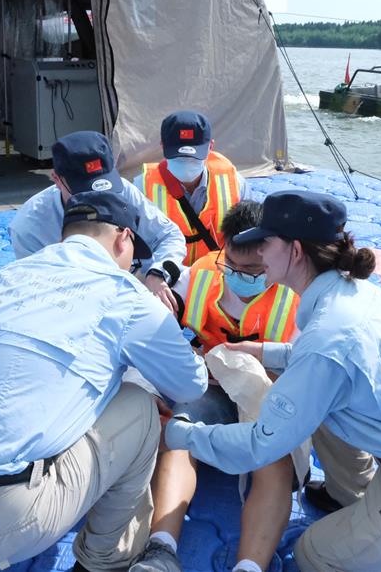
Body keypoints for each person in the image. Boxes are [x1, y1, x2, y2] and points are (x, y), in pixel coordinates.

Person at [165, 190, 381, 572]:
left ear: (296, 251)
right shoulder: (353, 290)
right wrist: (263, 352)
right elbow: (328, 360)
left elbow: (259, 446)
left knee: (315, 555)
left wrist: (180, 434)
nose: (258, 255)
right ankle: (349, 496)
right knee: (320, 405)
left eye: (264, 244)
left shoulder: (326, 339)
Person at [0, 190, 208, 572]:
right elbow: (189, 387)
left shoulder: (7, 276)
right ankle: (104, 561)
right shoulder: (128, 296)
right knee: (139, 407)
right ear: (124, 239)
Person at [130, 201, 299, 572]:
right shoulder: (201, 275)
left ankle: (249, 566)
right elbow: (155, 335)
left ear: (274, 256)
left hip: (271, 394)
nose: (240, 276)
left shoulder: (298, 296)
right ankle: (161, 549)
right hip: (211, 387)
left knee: (274, 461)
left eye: (253, 270)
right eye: (232, 267)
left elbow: (305, 369)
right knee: (177, 434)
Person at [9, 130, 187, 313]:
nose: (99, 200)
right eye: (86, 193)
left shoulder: (125, 191)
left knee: (187, 282)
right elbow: (43, 294)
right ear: (57, 179)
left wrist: (157, 274)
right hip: (74, 301)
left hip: (136, 285)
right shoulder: (29, 227)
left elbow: (169, 235)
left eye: (106, 188)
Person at [134, 110, 250, 267]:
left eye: (194, 157)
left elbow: (248, 238)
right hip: (165, 279)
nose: (186, 162)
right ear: (162, 146)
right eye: (179, 156)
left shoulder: (235, 183)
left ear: (211, 147)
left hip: (218, 276)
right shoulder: (141, 187)